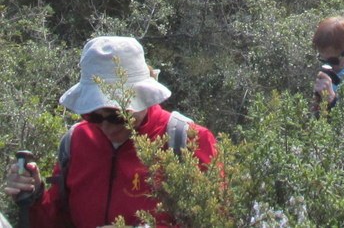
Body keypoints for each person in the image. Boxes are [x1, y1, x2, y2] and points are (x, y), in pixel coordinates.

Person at [3, 36, 217, 228]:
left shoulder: (187, 141)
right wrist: (36, 196)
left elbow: (218, 218)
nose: (105, 126)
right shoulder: (76, 142)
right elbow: (58, 222)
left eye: (117, 116)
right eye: (93, 116)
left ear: (143, 98)